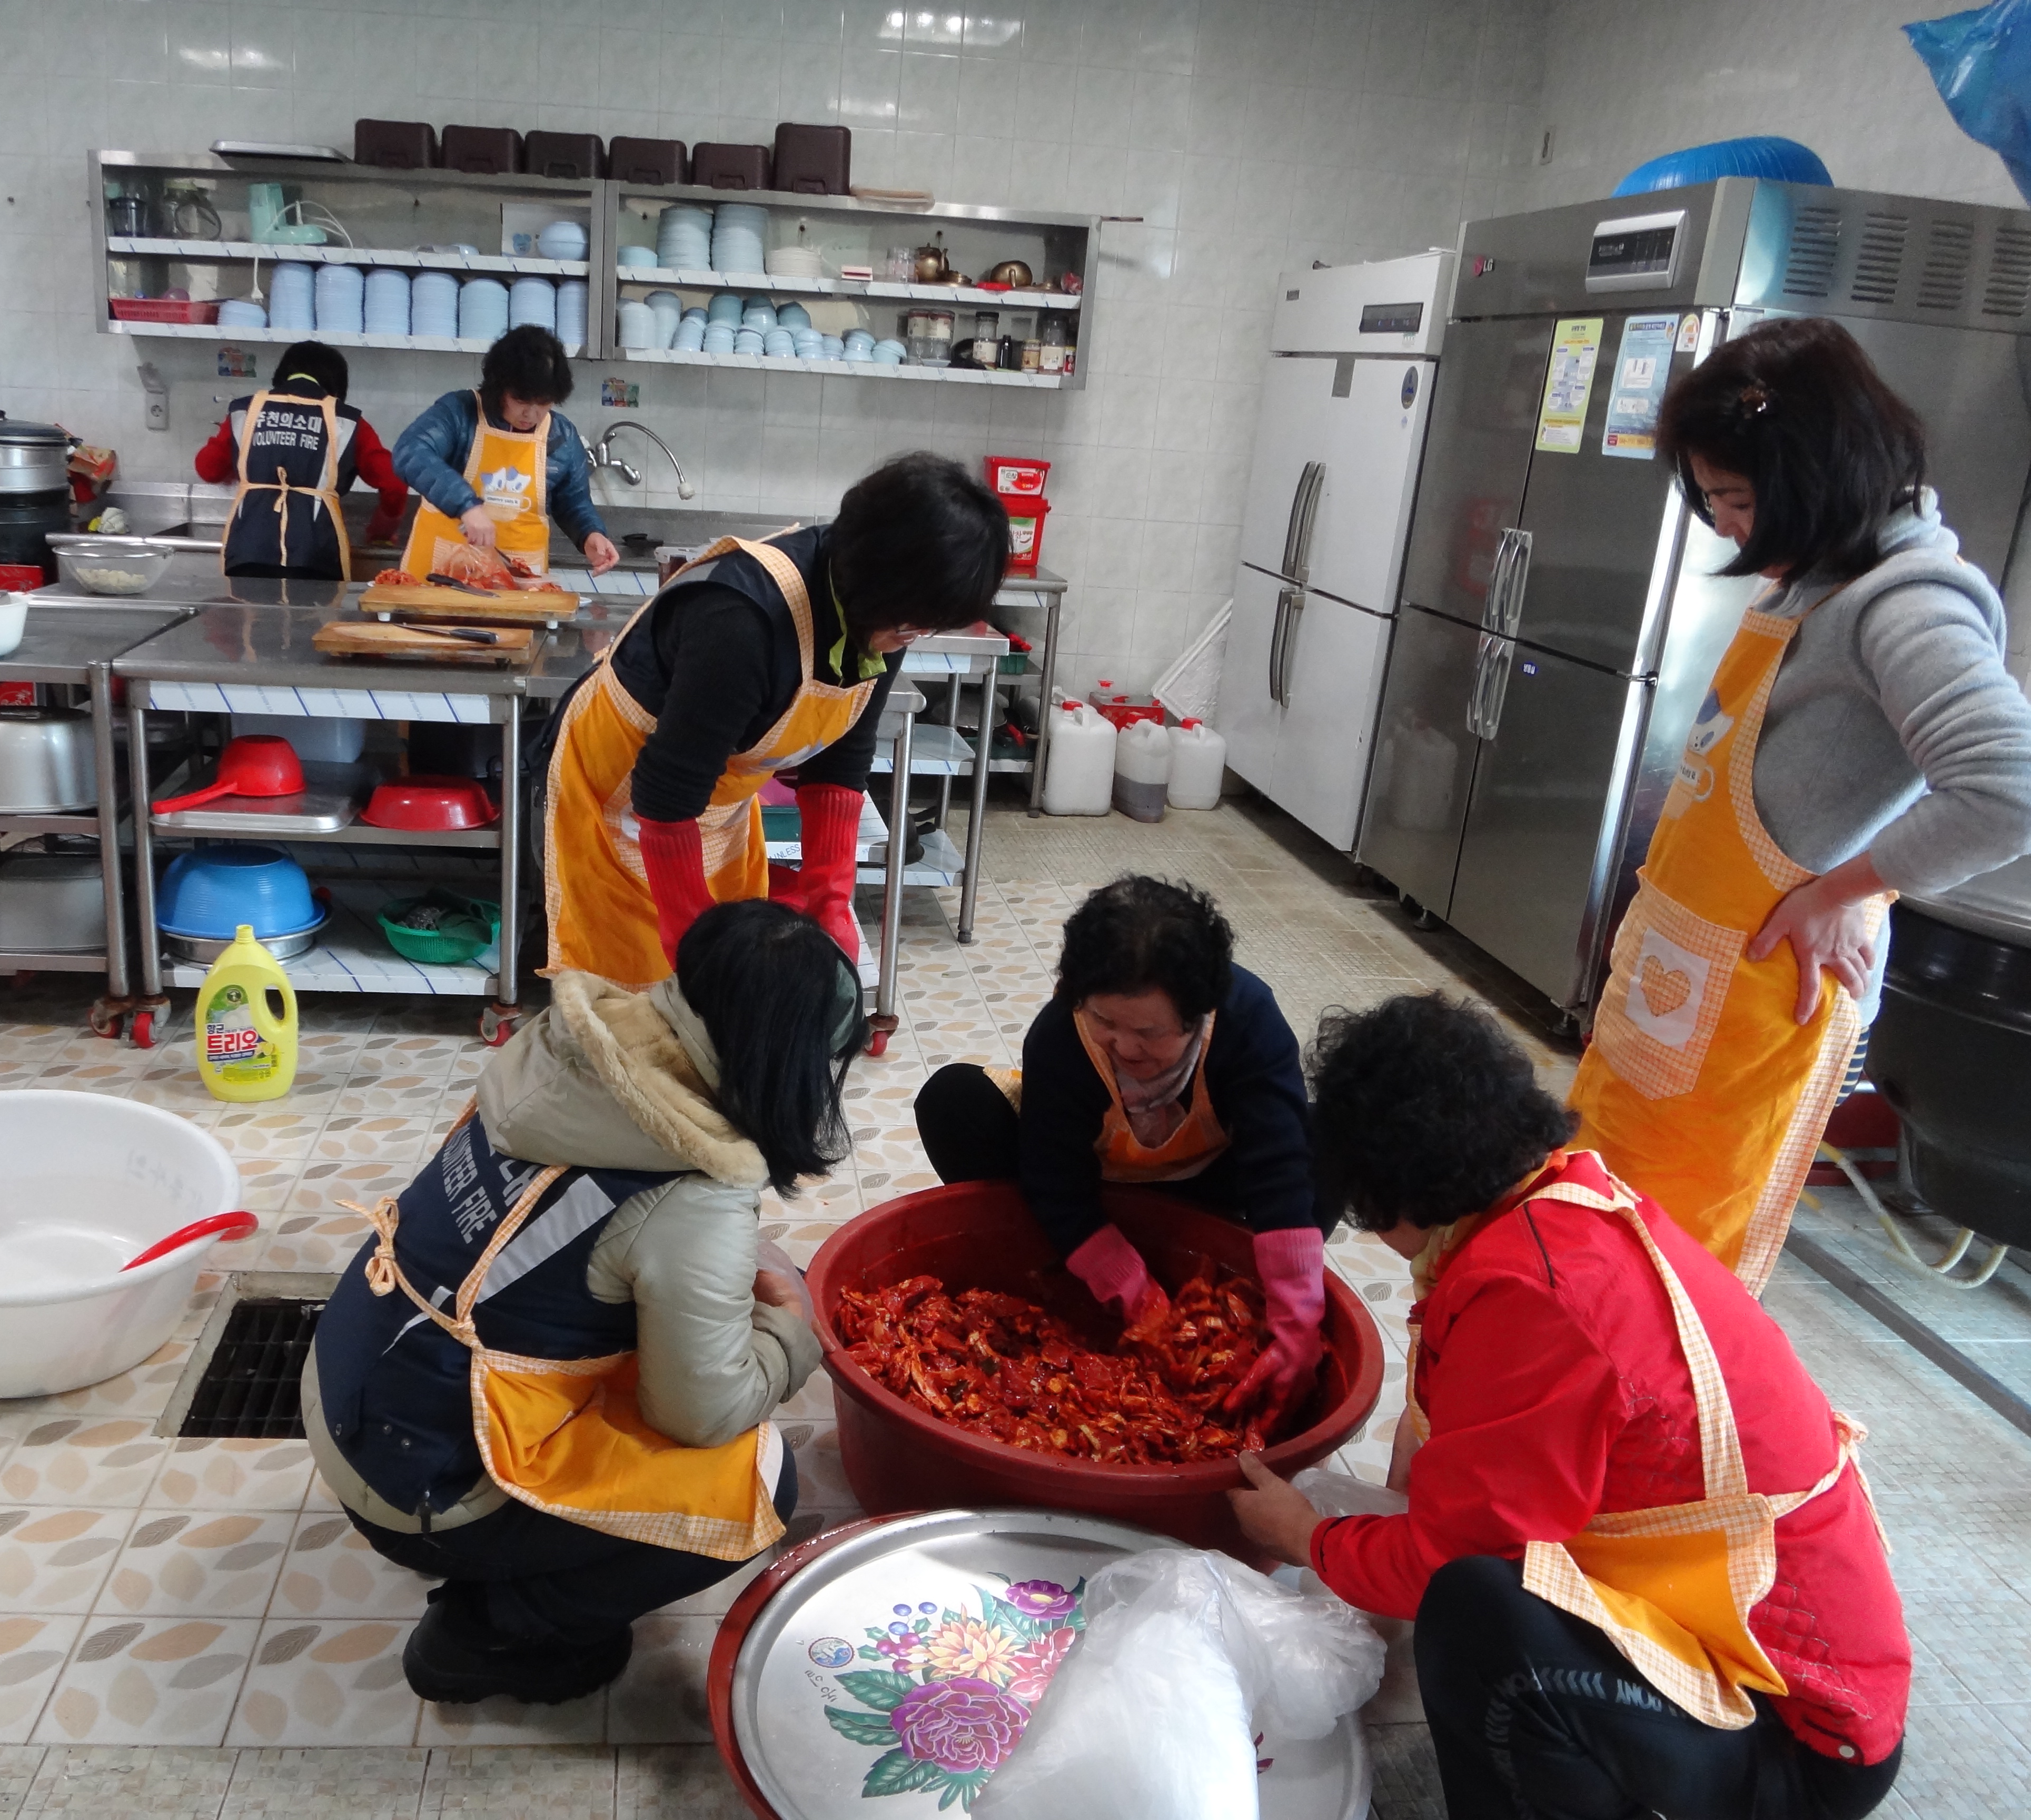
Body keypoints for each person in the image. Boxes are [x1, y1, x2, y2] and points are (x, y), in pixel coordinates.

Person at [1230, 992, 1908, 1820]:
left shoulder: (1537, 1296)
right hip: (1765, 1658)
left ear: (1393, 1189)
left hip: (1802, 1735)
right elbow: (1473, 1443)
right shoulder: (1556, 1200)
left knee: (1474, 1612)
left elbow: (1448, 1557)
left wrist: (1302, 1534)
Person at [1570, 316, 2031, 1290]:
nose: (1724, 527)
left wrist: (1841, 891)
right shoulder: (1817, 576)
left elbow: (2005, 791)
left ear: (1816, 475)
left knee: (1667, 1277)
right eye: (1711, 499)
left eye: (1736, 499)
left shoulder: (1908, 600)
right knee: (1597, 1225)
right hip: (1675, 981)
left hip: (1751, 1008)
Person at [304, 899, 858, 1705]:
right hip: (423, 1484)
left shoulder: (565, 1052)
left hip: (346, 1385)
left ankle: (497, 1559)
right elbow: (701, 1415)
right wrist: (791, 1331)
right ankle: (488, 1634)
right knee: (757, 1481)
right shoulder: (693, 1193)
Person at [542, 451, 1009, 985]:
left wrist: (829, 901)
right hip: (619, 800)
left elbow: (841, 761)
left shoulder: (883, 616)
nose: (911, 639)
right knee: (634, 995)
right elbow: (667, 795)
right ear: (874, 586)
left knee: (736, 972)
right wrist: (693, 944)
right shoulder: (741, 622)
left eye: (924, 629)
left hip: (715, 808)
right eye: (910, 628)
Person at [913, 876, 1325, 1426]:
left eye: (1151, 1033)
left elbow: (1279, 1171)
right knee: (955, 1100)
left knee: (1326, 1133)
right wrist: (1136, 1295)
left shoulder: (1247, 1020)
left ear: (1199, 1013)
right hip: (1097, 1187)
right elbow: (1055, 1179)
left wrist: (1297, 1319)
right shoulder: (1062, 1035)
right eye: (1105, 1023)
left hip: (1207, 1188)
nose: (1127, 1048)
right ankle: (1059, 1260)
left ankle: (1245, 1288)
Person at [393, 325, 619, 581]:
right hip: (439, 576)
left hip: (519, 583)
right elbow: (411, 451)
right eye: (521, 401)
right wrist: (466, 506)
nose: (531, 414)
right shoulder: (459, 412)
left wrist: (590, 533)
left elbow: (574, 503)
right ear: (499, 388)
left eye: (544, 403)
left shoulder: (562, 437)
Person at [194, 341, 407, 580]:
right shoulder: (346, 421)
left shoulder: (245, 411)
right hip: (316, 554)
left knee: (250, 605)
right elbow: (395, 483)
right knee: (317, 607)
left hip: (248, 550)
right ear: (337, 385)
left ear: (282, 375)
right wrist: (382, 531)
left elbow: (208, 468)